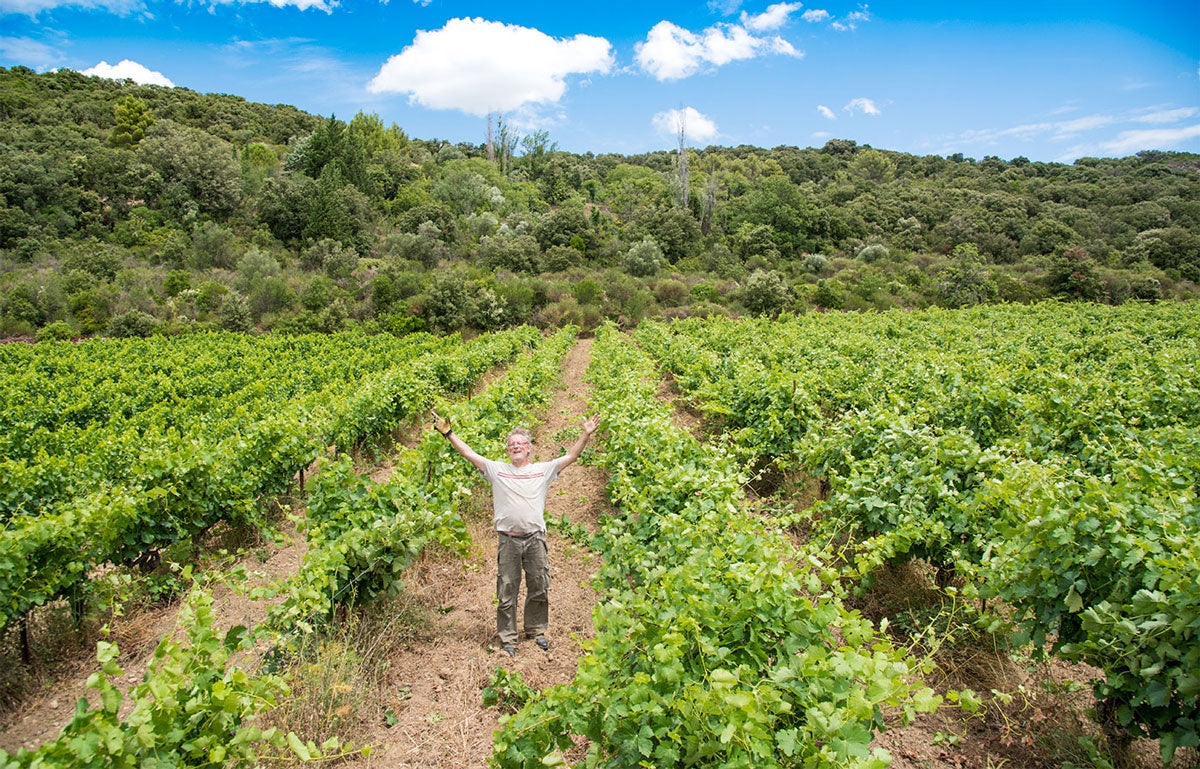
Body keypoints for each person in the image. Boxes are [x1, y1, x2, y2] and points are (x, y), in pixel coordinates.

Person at [433, 411, 600, 656]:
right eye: (512, 444)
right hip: (508, 540)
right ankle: (508, 638)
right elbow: (469, 453)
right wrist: (448, 433)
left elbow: (572, 456)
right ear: (507, 450)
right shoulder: (496, 469)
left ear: (529, 448)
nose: (516, 447)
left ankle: (535, 630)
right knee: (507, 589)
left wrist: (585, 435)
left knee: (539, 585)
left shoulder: (543, 470)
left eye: (520, 443)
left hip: (535, 539)